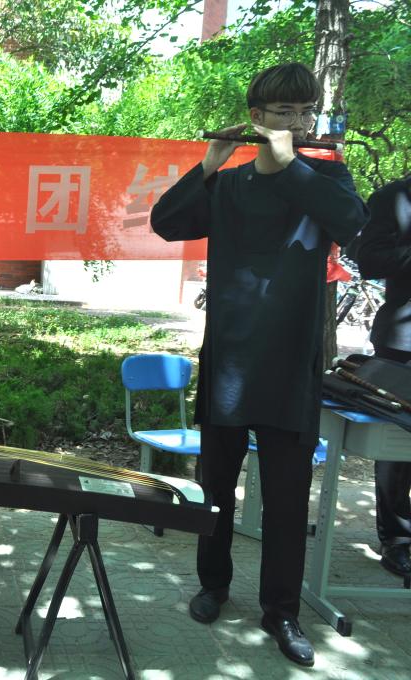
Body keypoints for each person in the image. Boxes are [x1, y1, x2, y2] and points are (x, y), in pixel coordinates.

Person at [151, 62, 369, 667]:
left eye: (305, 111)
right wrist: (209, 162)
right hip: (230, 361)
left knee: (287, 499)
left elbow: (352, 223)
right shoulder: (229, 186)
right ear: (257, 117)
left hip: (292, 367)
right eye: (284, 112)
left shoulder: (326, 176)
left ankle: (282, 611)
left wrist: (294, 161)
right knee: (216, 487)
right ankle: (213, 585)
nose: (298, 122)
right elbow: (166, 223)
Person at [350, 173, 411, 577]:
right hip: (405, 343)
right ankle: (398, 538)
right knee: (398, 449)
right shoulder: (394, 197)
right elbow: (368, 258)